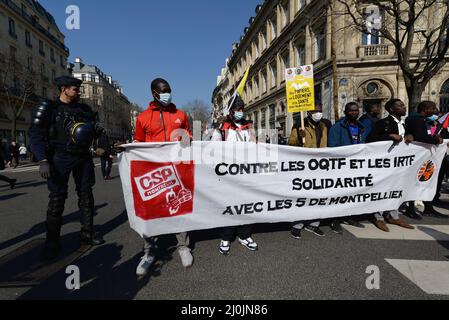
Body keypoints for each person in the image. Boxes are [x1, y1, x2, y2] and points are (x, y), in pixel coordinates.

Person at [29, 76, 104, 260]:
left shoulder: (84, 109)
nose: (78, 91)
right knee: (57, 199)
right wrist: (43, 160)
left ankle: (87, 233)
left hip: (82, 156)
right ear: (63, 89)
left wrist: (101, 140)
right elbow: (35, 134)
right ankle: (52, 241)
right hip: (59, 156)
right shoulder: (49, 108)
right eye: (75, 88)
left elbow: (95, 130)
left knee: (86, 195)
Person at [133, 78, 193, 276]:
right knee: (150, 211)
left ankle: (183, 246)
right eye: (164, 90)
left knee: (179, 208)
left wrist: (187, 139)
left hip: (177, 170)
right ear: (154, 93)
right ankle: (149, 252)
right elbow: (138, 144)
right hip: (153, 172)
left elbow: (188, 137)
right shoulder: (143, 117)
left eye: (169, 90)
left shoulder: (181, 114)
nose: (168, 93)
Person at [218, 95, 258, 255]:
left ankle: (244, 235)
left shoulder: (249, 126)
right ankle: (226, 237)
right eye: (237, 109)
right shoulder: (223, 127)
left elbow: (257, 145)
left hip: (246, 173)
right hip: (228, 174)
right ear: (231, 111)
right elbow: (211, 148)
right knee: (229, 205)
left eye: (242, 109)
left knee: (246, 204)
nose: (240, 112)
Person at [367, 99, 415, 232]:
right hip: (386, 163)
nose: (404, 107)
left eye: (403, 105)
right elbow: (370, 139)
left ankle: (393, 215)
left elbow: (410, 137)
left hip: (401, 164)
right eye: (400, 106)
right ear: (392, 109)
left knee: (396, 189)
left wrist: (411, 135)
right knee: (382, 189)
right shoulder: (383, 123)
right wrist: (389, 135)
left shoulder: (404, 124)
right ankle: (379, 217)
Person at [328, 102, 368, 233]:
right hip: (341, 167)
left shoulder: (362, 127)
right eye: (351, 111)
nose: (354, 113)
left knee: (352, 194)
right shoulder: (337, 127)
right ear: (345, 112)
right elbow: (332, 146)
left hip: (356, 167)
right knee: (339, 194)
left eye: (356, 110)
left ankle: (349, 216)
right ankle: (335, 220)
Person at [288, 105, 327, 239]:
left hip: (320, 166)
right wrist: (299, 137)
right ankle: (297, 225)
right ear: (309, 112)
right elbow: (291, 143)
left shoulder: (324, 125)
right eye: (316, 111)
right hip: (304, 167)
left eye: (320, 111)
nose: (318, 113)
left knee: (318, 196)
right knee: (303, 196)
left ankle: (314, 224)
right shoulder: (300, 125)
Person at [405, 100, 448, 219]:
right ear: (426, 109)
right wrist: (436, 140)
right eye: (433, 108)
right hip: (417, 156)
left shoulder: (424, 120)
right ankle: (410, 208)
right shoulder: (416, 119)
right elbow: (421, 137)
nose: (435, 111)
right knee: (415, 180)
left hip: (426, 156)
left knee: (428, 180)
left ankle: (428, 207)